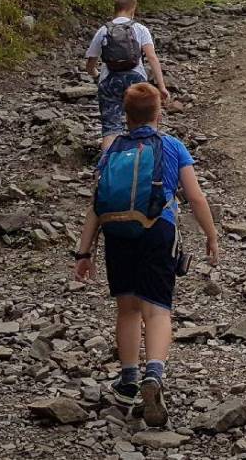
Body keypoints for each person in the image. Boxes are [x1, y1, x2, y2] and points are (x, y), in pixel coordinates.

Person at [72, 83, 220, 426]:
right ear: (158, 113)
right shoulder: (171, 146)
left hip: (117, 232)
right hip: (157, 229)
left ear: (126, 115)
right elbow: (195, 197)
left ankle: (128, 381)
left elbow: (96, 204)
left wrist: (84, 252)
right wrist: (211, 236)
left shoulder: (112, 148)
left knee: (127, 309)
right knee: (157, 309)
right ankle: (153, 374)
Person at [84, 0, 171, 155]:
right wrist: (161, 87)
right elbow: (152, 58)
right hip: (137, 81)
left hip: (109, 81)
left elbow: (89, 65)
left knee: (111, 128)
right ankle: (144, 161)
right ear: (133, 8)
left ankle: (108, 166)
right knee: (143, 124)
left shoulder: (103, 30)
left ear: (115, 8)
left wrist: (97, 76)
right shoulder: (140, 29)